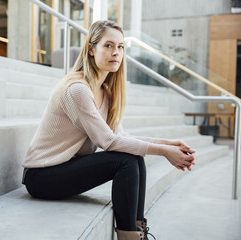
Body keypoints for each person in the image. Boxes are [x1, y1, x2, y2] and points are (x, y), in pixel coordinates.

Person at [22, 20, 196, 240]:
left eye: (121, 47)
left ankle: (136, 230)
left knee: (134, 158)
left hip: (64, 168)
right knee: (125, 160)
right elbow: (109, 142)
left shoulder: (105, 91)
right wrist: (163, 152)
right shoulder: (77, 89)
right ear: (91, 49)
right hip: (42, 176)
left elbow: (121, 138)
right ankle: (128, 236)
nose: (116, 52)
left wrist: (168, 144)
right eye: (109, 45)